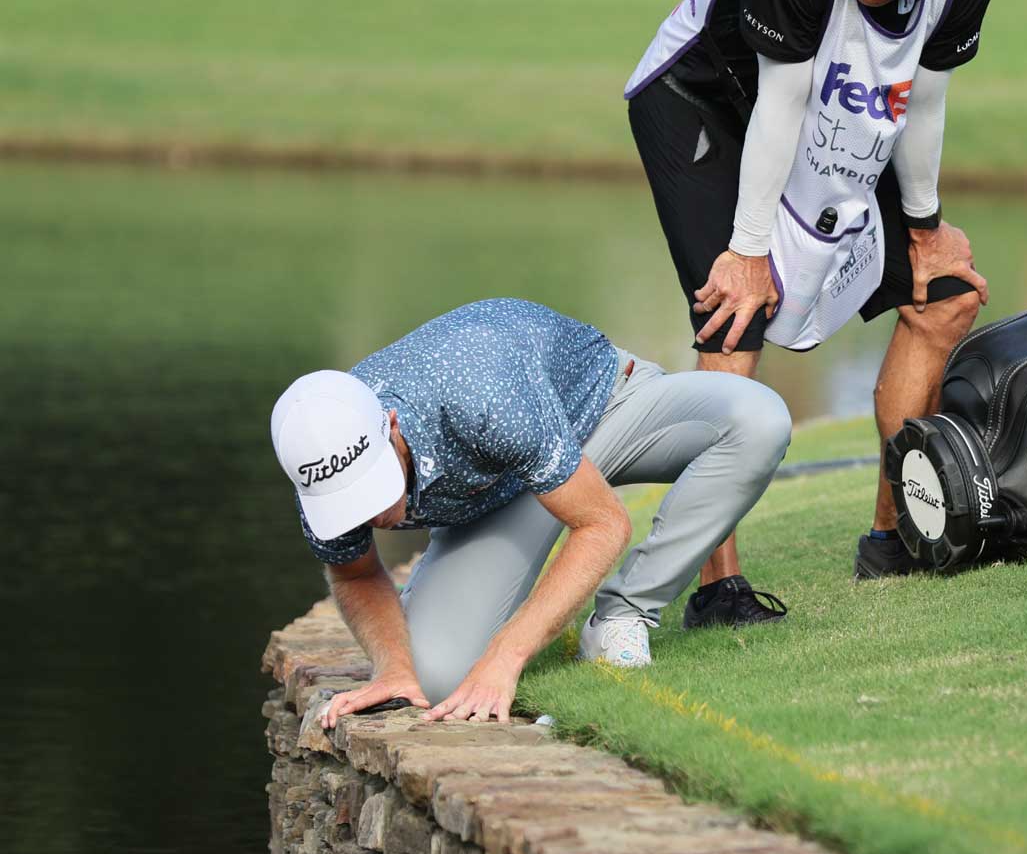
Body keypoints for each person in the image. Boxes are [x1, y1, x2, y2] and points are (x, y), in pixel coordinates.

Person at [624, 0, 997, 581]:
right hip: (702, 98)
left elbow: (921, 101)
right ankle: (714, 581)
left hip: (834, 102)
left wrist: (925, 230)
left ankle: (896, 542)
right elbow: (780, 102)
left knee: (944, 298)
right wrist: (750, 249)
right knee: (735, 312)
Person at [269, 298, 792, 727]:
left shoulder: (478, 393)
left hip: (600, 410)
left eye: (375, 486)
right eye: (353, 502)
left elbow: (603, 523)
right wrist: (392, 666)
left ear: (392, 425)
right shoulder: (318, 465)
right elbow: (355, 573)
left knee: (757, 420)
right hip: (505, 489)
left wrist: (507, 655)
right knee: (433, 681)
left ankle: (623, 614)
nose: (375, 514)